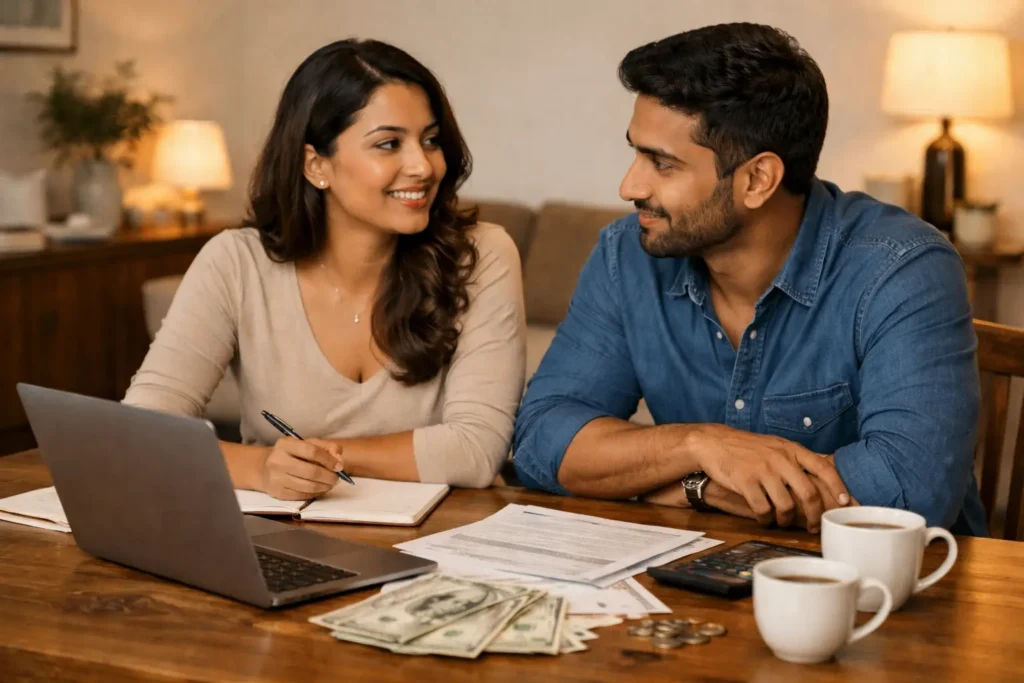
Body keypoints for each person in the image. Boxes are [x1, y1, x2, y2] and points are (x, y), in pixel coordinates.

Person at [512, 23, 984, 535]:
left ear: (758, 179)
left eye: (662, 164)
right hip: (702, 576)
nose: (630, 185)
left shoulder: (901, 266)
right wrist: (700, 446)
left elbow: (909, 492)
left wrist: (686, 488)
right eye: (636, 152)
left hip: (902, 594)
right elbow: (541, 440)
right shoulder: (627, 254)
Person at [125, 39, 526, 499]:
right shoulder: (236, 262)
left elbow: (475, 451)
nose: (423, 165)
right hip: (279, 534)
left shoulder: (483, 255)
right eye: (389, 144)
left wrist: (311, 456)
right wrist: (260, 469)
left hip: (442, 539)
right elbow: (143, 428)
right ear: (317, 165)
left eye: (431, 140)